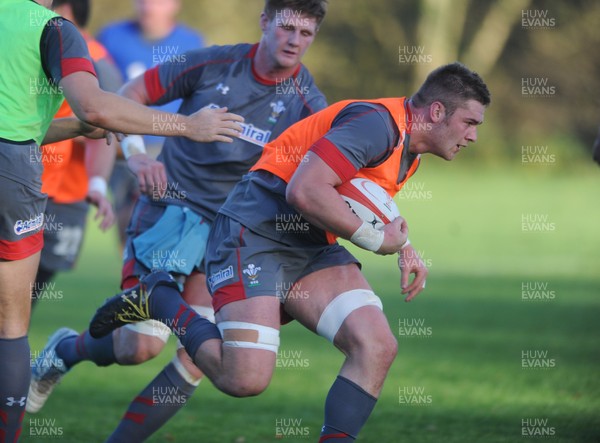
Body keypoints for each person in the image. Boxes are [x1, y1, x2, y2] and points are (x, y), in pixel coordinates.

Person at [89, 62, 491, 441]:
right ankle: (161, 298)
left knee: (376, 345)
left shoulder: (407, 146)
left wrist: (404, 246)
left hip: (311, 244)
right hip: (256, 230)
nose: (473, 135)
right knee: (243, 379)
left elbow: (360, 195)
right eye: (469, 122)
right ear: (437, 111)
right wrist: (376, 240)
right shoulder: (376, 124)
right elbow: (305, 189)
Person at [29, 0, 328, 441]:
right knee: (139, 347)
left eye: (306, 34)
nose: (294, 41)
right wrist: (136, 156)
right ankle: (65, 351)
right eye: (286, 28)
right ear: (264, 22)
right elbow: (127, 96)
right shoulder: (213, 63)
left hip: (230, 232)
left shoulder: (308, 103)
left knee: (199, 356)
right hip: (172, 207)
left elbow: (325, 172)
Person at [0, 0, 241, 440]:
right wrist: (187, 127)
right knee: (12, 331)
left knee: (183, 351)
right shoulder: (58, 30)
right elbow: (98, 107)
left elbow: (26, 122)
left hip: (23, 164)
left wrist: (74, 129)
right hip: (16, 180)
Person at [32, 0, 121, 309]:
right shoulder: (35, 46)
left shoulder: (96, 63)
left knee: (27, 290)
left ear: (66, 14)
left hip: (64, 196)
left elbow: (112, 125)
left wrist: (99, 181)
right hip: (29, 183)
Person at [97, 0, 205, 249]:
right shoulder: (111, 37)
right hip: (122, 144)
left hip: (168, 146)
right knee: (128, 220)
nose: (148, 6)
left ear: (175, 5)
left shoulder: (191, 42)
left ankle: (160, 280)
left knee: (165, 220)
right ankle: (132, 280)